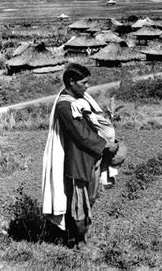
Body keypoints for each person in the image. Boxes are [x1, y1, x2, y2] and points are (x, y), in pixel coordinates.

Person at [42, 63, 118, 251]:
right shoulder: (65, 106)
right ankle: (79, 242)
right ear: (71, 82)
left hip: (89, 157)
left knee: (89, 198)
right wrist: (105, 144)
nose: (87, 86)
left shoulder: (78, 100)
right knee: (79, 202)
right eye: (84, 83)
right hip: (77, 160)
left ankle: (79, 237)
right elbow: (81, 133)